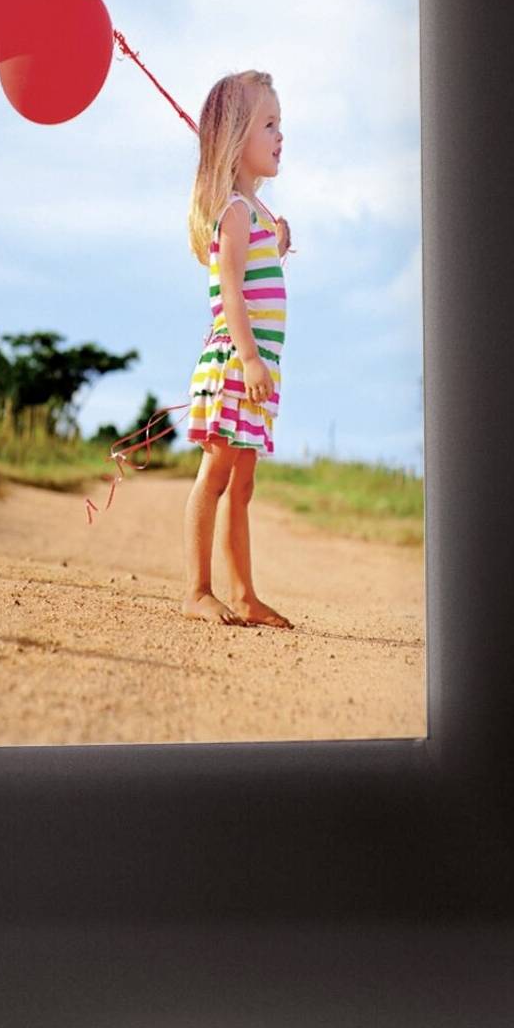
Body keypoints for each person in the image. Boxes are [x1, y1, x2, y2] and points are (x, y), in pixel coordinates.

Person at [182, 70, 293, 628]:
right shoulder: (234, 212)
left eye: (280, 124)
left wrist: (278, 243)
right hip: (236, 362)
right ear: (235, 137)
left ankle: (245, 594)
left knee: (243, 484)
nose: (280, 136)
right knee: (218, 473)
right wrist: (249, 359)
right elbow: (230, 292)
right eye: (268, 125)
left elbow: (257, 276)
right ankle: (198, 590)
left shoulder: (255, 214)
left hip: (256, 366)